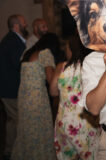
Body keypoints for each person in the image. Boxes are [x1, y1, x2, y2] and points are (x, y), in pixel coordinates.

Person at [50, 33, 101, 160]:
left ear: (71, 49)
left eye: (66, 48)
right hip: (88, 123)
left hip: (65, 122)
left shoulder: (61, 67)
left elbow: (53, 92)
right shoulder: (93, 67)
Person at [11, 33, 61, 160]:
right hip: (37, 98)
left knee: (26, 129)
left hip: (23, 97)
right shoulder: (45, 53)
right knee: (40, 129)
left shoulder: (27, 52)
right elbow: (51, 80)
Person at [0, 14, 28, 160]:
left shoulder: (13, 39)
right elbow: (19, 63)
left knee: (14, 120)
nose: (26, 24)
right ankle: (12, 152)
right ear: (16, 25)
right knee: (16, 120)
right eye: (24, 22)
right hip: (10, 89)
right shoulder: (12, 41)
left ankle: (12, 150)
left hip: (10, 88)